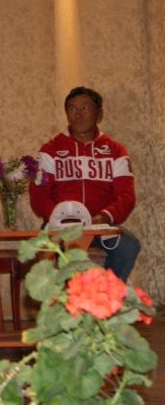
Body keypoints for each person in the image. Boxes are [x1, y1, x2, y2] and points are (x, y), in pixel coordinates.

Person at [29, 86, 141, 282]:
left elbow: (126, 196)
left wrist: (102, 217)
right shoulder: (50, 149)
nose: (78, 114)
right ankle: (68, 299)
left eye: (85, 107)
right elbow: (39, 194)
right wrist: (58, 216)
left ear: (100, 114)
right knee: (50, 253)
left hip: (100, 226)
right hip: (60, 226)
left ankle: (107, 296)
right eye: (72, 109)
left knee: (129, 245)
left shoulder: (115, 151)